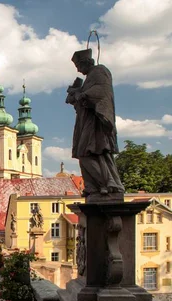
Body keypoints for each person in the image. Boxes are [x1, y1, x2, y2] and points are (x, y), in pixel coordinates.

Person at [66, 48, 124, 198]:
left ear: (86, 62)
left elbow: (102, 92)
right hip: (86, 121)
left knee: (88, 152)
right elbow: (82, 100)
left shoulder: (100, 71)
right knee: (86, 153)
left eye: (78, 66)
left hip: (96, 123)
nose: (78, 70)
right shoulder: (89, 78)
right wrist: (74, 95)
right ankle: (94, 186)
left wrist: (81, 94)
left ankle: (106, 184)